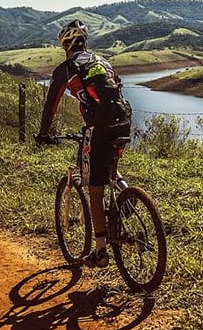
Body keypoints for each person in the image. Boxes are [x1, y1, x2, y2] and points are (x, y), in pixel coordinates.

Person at [35, 19, 131, 268]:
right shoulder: (102, 61)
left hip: (98, 128)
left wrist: (43, 134)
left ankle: (100, 252)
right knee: (109, 168)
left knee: (95, 190)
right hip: (123, 120)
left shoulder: (66, 68)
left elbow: (50, 106)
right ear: (84, 43)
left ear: (65, 46)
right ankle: (128, 195)